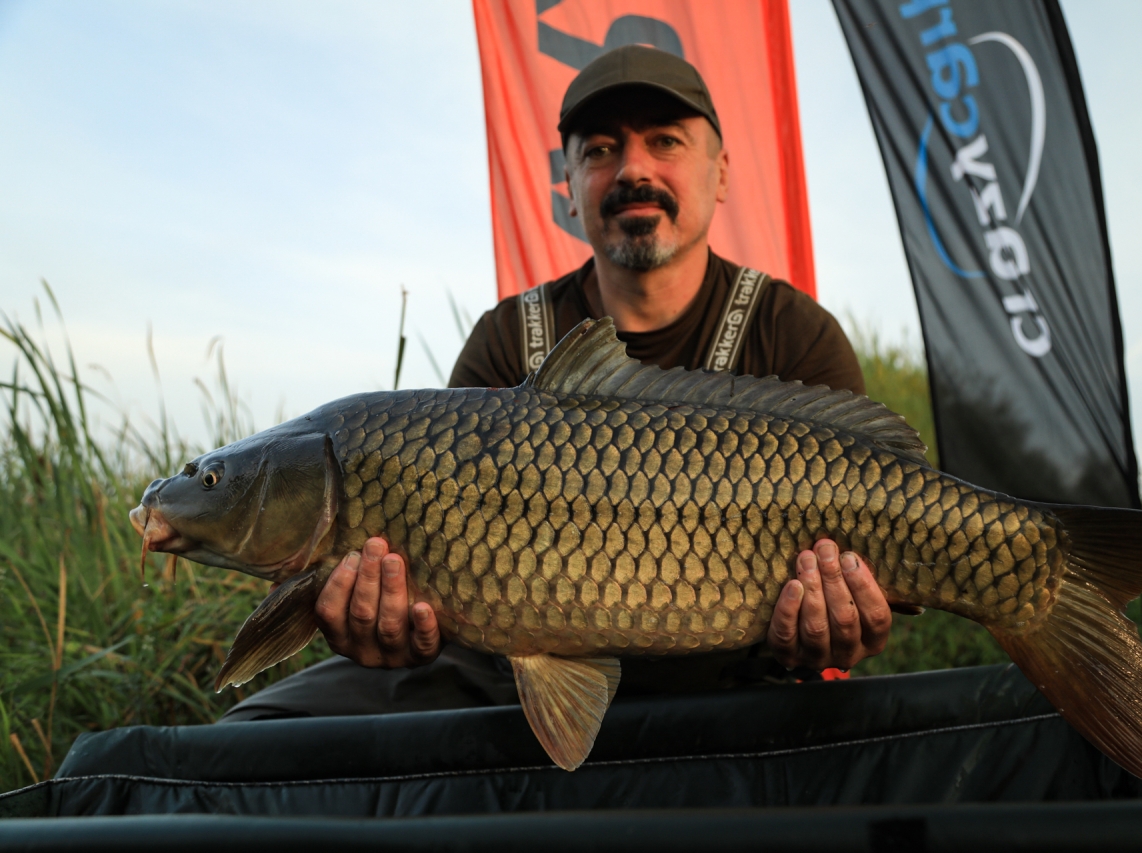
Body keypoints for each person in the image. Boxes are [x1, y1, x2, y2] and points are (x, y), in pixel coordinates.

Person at [222, 46, 891, 721]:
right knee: (260, 729)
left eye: (665, 141)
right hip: (510, 681)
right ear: (568, 184)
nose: (632, 169)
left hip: (738, 683)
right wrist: (390, 627)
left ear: (719, 172)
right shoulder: (507, 337)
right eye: (599, 150)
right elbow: (424, 613)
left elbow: (850, 624)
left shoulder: (793, 333)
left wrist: (834, 626)